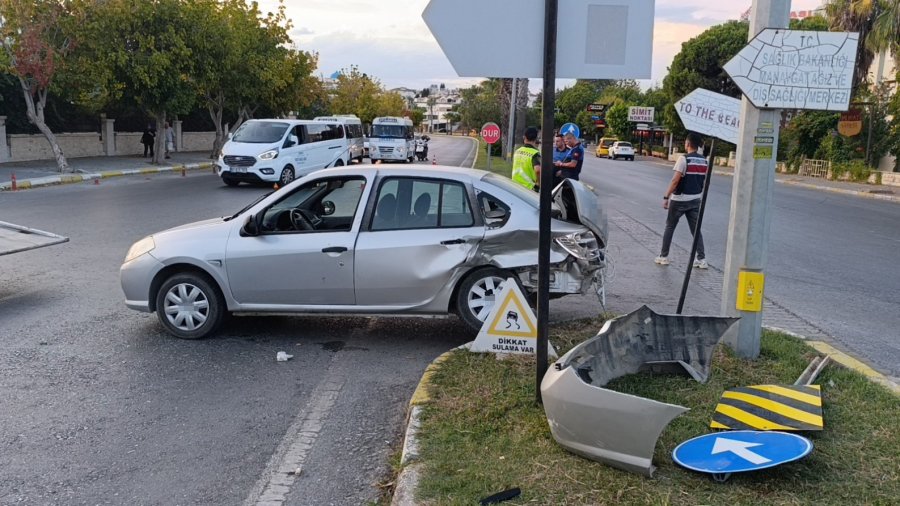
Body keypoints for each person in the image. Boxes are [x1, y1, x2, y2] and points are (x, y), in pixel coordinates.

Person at [655, 132, 708, 269]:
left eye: (685, 142)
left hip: (679, 199)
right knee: (696, 230)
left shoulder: (683, 159)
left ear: (688, 144)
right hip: (696, 199)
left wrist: (666, 196)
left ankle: (663, 256)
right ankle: (701, 259)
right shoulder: (704, 161)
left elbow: (675, 180)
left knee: (670, 226)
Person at [511, 126, 542, 192]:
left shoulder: (517, 151)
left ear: (524, 137)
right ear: (536, 138)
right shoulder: (535, 153)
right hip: (528, 189)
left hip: (515, 186)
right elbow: (538, 170)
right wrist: (539, 184)